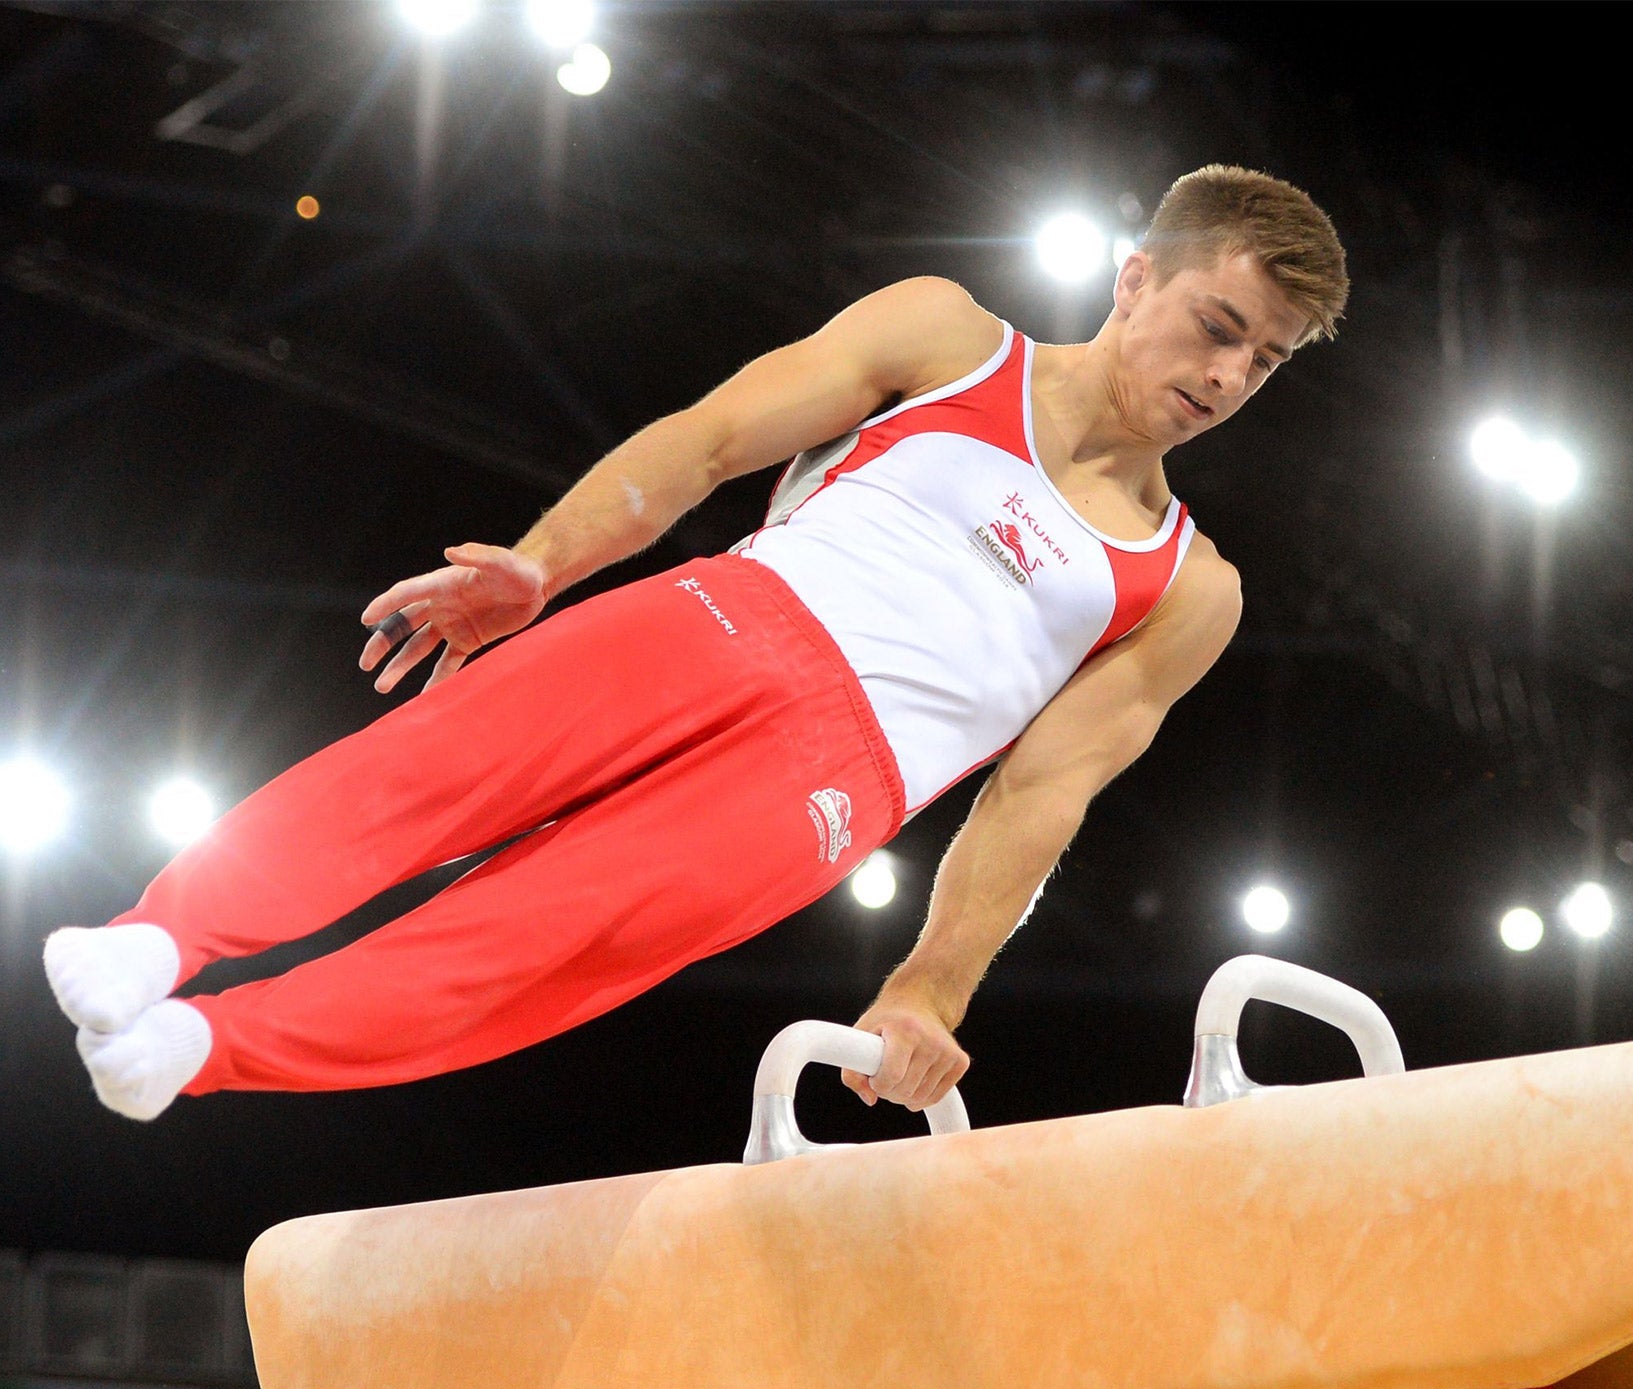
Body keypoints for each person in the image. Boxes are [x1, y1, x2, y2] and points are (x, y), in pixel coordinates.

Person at [42, 165, 1348, 1123]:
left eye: (1267, 361)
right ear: (1137, 280)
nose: (1228, 376)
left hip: (836, 791)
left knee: (535, 946)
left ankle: (209, 1048)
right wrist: (547, 562)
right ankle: (164, 939)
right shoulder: (949, 341)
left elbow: (1042, 794)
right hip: (728, 621)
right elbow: (714, 439)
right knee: (433, 773)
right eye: (1216, 327)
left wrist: (927, 994)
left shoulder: (1186, 588)